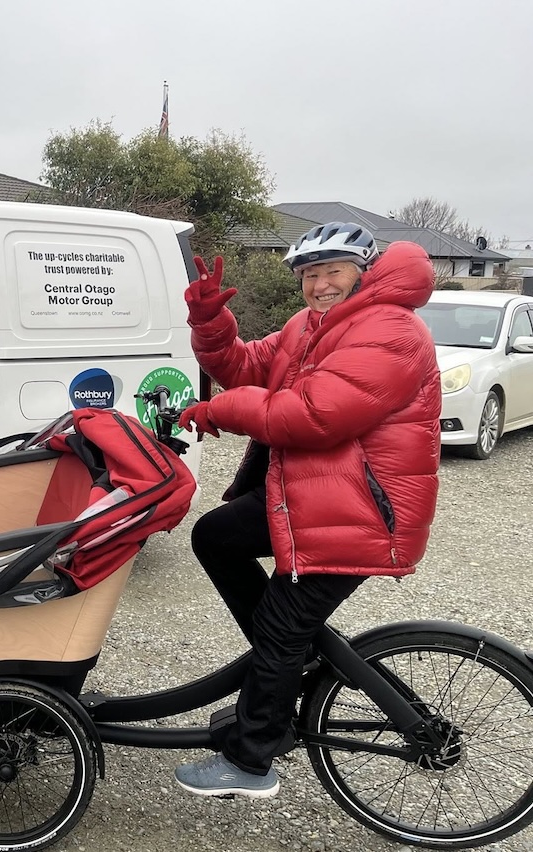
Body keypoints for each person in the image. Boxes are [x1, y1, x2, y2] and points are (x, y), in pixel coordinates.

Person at [171, 222, 442, 798]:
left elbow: (318, 415)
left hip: (362, 512)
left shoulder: (393, 329)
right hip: (313, 501)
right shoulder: (308, 325)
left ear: (363, 272)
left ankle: (251, 763)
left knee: (282, 627)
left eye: (332, 272)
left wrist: (221, 410)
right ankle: (284, 664)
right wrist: (210, 324)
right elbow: (246, 368)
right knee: (216, 536)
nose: (319, 285)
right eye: (309, 274)